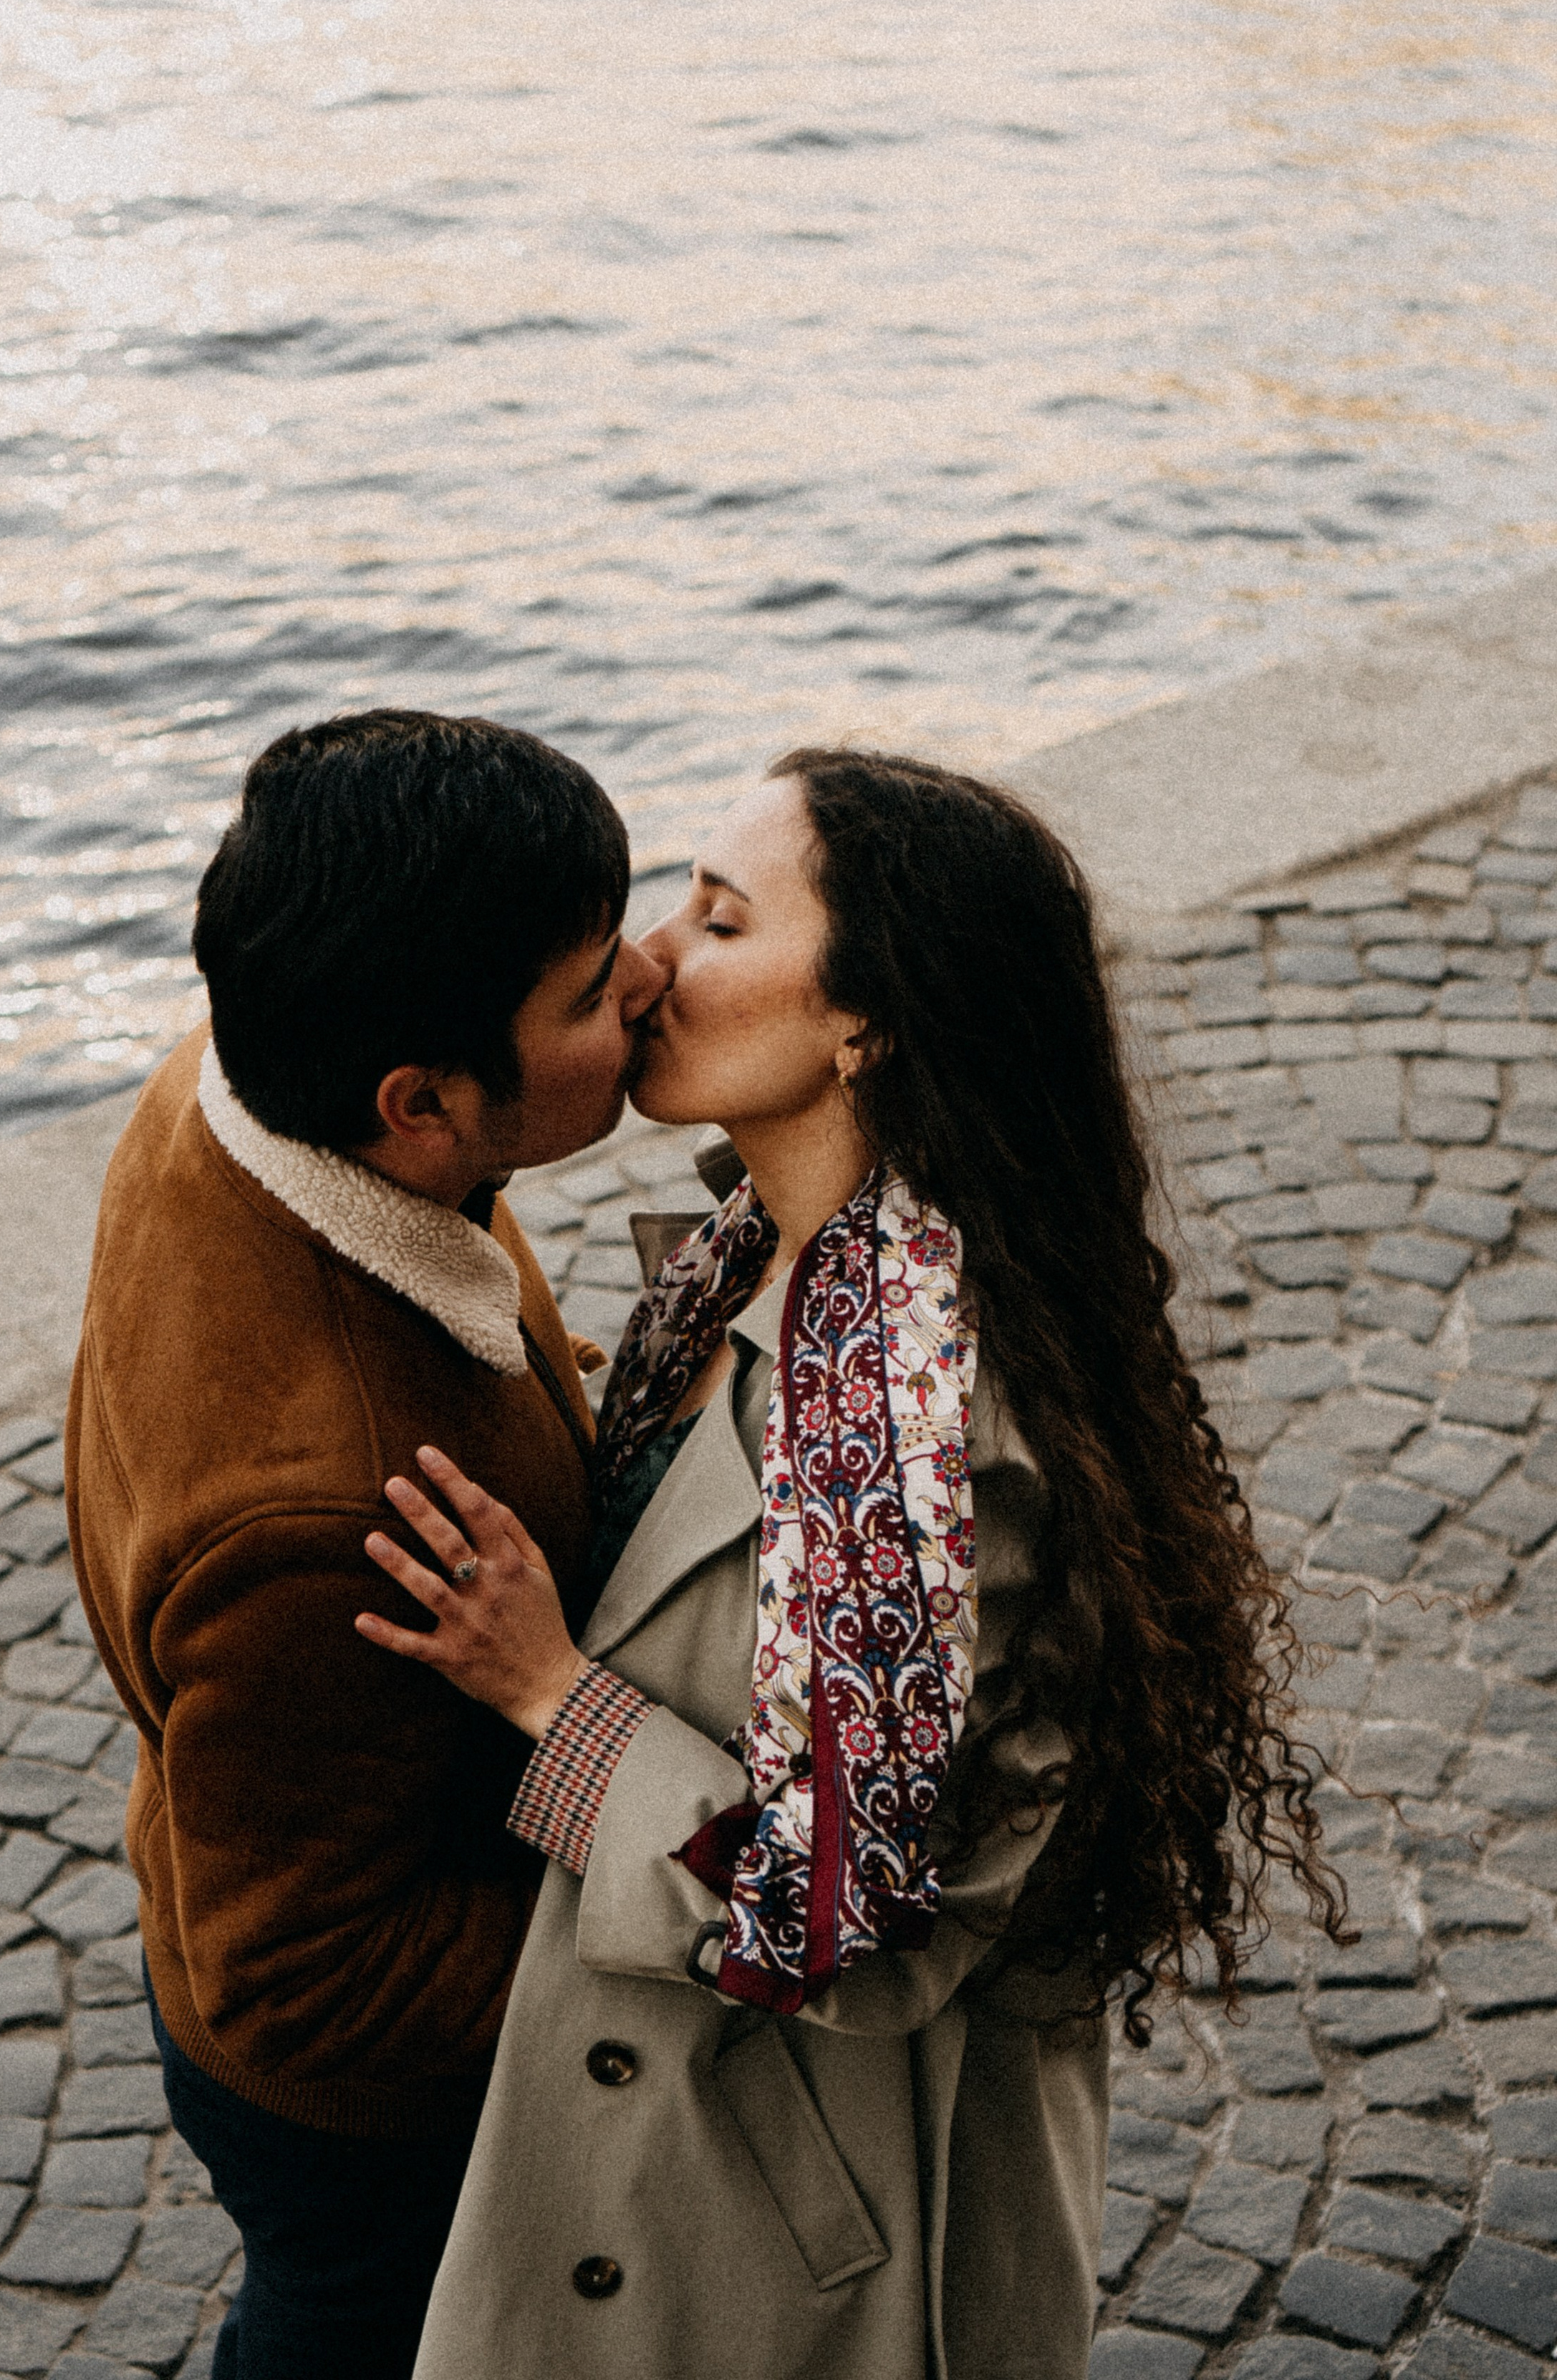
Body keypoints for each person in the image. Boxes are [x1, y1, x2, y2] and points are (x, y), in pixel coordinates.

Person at [357, 746, 1346, 2380]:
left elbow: (840, 1915)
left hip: (804, 2227)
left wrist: (549, 1692)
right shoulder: (767, 1257)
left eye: (722, 921)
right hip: (703, 2147)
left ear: (862, 1021)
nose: (651, 959)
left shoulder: (902, 1396)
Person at [64, 708, 665, 2378]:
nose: (644, 989)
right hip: (367, 2137)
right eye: (583, 990)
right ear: (418, 1106)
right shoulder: (325, 1514)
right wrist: (656, 1963)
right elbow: (304, 1984)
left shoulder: (238, 1080)